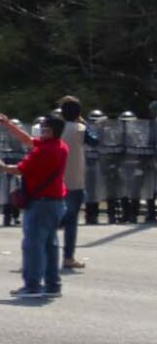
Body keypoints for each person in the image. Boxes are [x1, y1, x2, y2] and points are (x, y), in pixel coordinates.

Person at [0, 111, 69, 298]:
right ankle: (53, 285)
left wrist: (1, 166)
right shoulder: (60, 146)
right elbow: (28, 140)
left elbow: (20, 169)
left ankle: (32, 285)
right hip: (56, 202)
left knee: (33, 245)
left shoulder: (43, 151)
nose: (42, 131)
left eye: (46, 129)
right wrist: (8, 124)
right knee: (50, 245)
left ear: (54, 131)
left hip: (40, 203)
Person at [57, 96, 92, 275]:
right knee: (71, 221)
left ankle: (40, 252)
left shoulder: (56, 128)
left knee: (53, 218)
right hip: (75, 181)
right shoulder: (81, 128)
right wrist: (84, 122)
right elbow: (95, 140)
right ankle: (68, 257)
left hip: (56, 180)